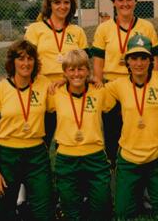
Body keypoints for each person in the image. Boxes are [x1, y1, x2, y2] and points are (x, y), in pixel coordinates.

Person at [105, 34, 158, 219]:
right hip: (129, 157)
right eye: (134, 57)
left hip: (157, 155)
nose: (139, 63)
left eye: (144, 58)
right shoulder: (118, 85)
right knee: (122, 213)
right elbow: (92, 91)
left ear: (151, 60)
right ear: (127, 61)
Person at [92, 0, 158, 167]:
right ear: (114, 2)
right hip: (113, 86)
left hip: (139, 84)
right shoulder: (104, 28)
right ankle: (117, 177)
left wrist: (152, 83)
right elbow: (98, 59)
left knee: (141, 131)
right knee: (113, 133)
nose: (125, 4)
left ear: (135, 1)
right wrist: (99, 82)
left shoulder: (146, 27)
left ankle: (146, 177)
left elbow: (155, 58)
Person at [0, 40, 54, 221]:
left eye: (30, 59)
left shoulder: (44, 85)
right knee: (4, 212)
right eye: (20, 59)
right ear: (12, 62)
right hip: (7, 156)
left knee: (43, 210)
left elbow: (64, 94)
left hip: (36, 155)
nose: (26, 63)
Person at [50, 49, 114, 220]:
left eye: (81, 69)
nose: (76, 74)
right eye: (71, 69)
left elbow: (111, 107)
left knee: (101, 208)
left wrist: (96, 79)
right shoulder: (56, 93)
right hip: (66, 157)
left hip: (95, 156)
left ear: (88, 70)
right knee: (71, 210)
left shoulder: (99, 91)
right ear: (65, 72)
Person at [25, 0, 89, 148]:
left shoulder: (77, 31)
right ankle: (38, 173)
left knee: (69, 141)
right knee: (39, 142)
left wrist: (65, 80)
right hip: (42, 91)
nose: (62, 6)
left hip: (69, 89)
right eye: (57, 2)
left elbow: (83, 65)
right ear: (49, 4)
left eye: (66, 2)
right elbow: (28, 62)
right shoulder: (35, 29)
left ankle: (65, 173)